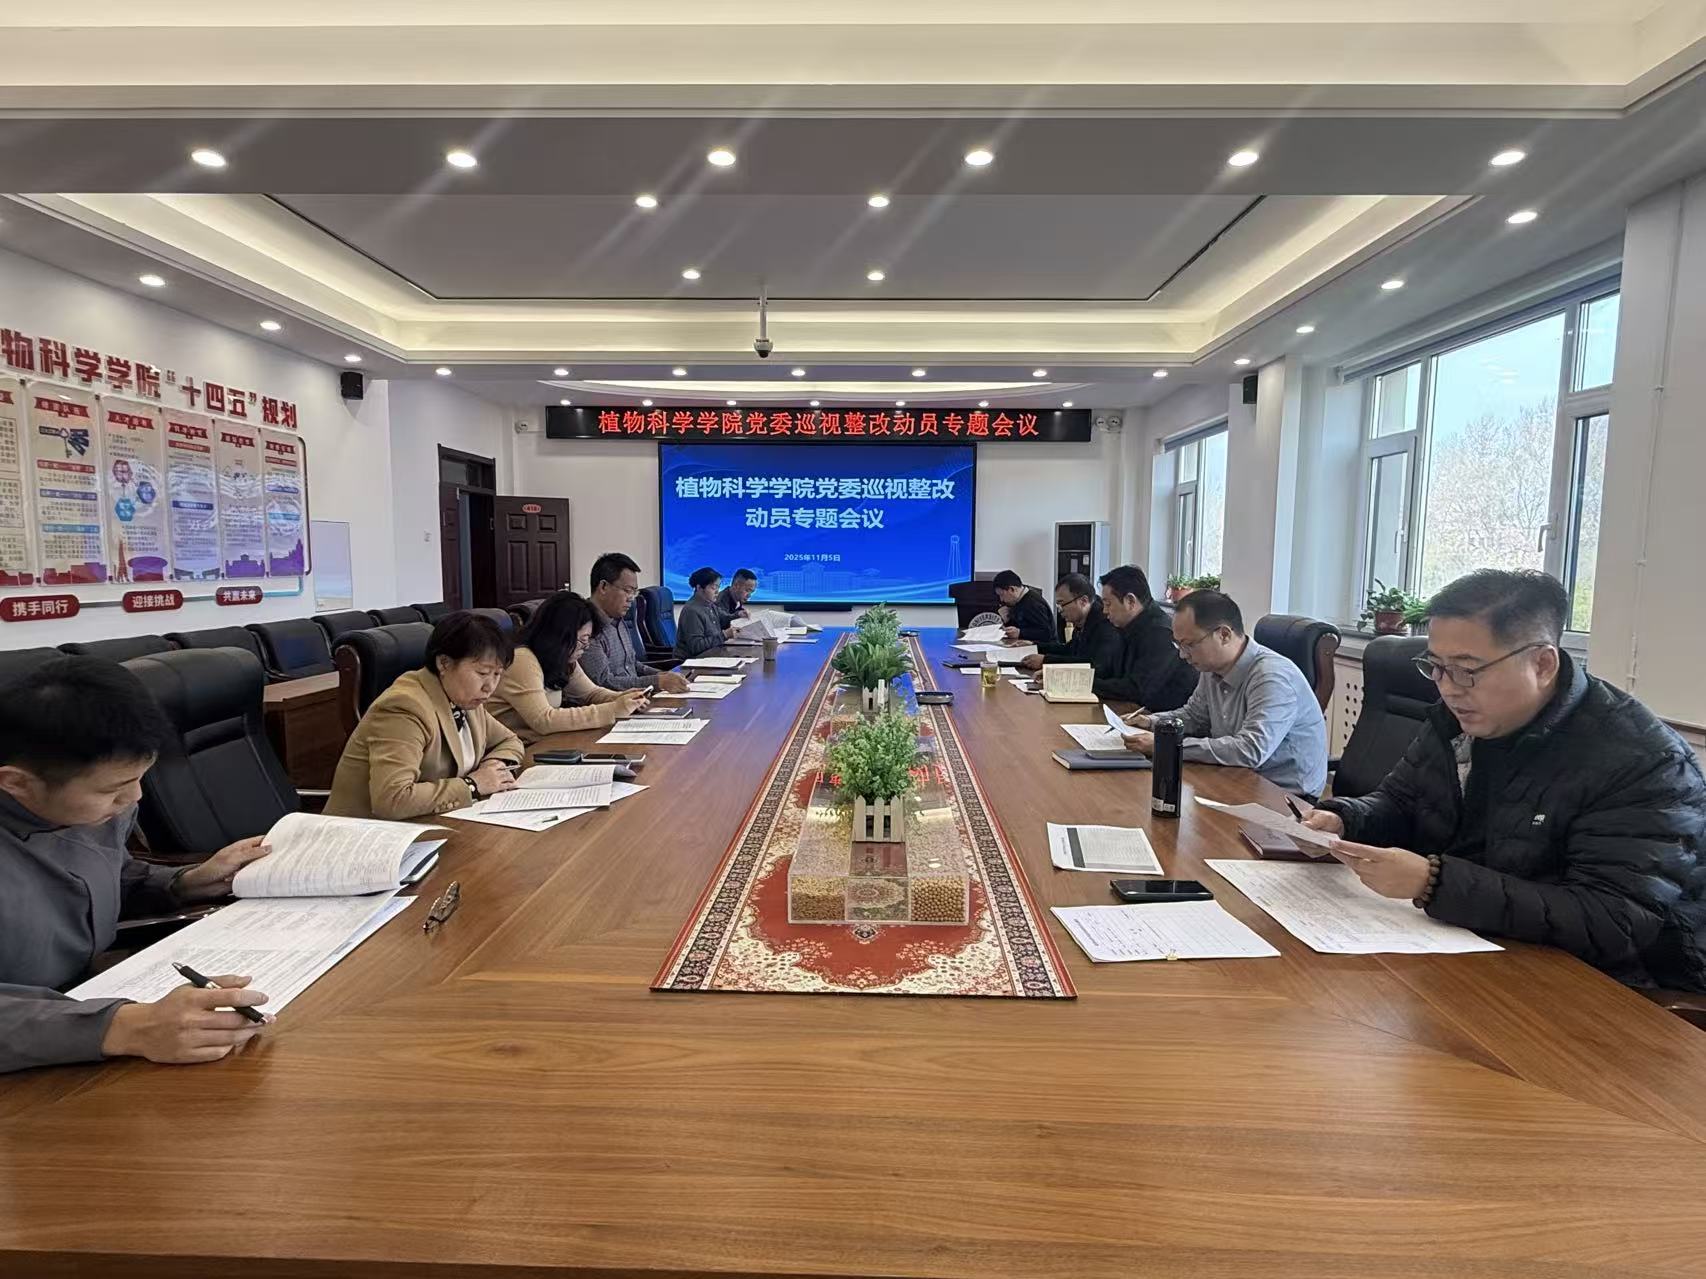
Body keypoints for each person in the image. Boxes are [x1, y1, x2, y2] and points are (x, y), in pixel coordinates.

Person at [1303, 569, 1706, 990]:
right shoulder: (1458, 722)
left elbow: (1612, 921)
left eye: (1466, 670)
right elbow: (1401, 801)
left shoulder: (1644, 762)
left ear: (1542, 664)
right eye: (1436, 667)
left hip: (1611, 987)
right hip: (1477, 946)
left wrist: (1433, 881)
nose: (1448, 689)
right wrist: (1344, 819)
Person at [0, 658, 275, 1072]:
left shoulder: (94, 809)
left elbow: (100, 880)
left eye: (140, 778)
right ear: (17, 782)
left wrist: (186, 883)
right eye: (112, 790)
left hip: (88, 1007)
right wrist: (124, 1027)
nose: (134, 799)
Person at [1122, 589, 1327, 797]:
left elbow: (1250, 750)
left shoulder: (1271, 677)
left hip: (1285, 796)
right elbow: (1194, 716)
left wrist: (1166, 746)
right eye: (1178, 645)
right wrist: (1151, 722)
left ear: (1224, 635)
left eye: (1189, 645)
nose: (1182, 655)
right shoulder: (1211, 667)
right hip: (1235, 775)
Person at [326, 611, 526, 819]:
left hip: (434, 821)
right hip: (367, 831)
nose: (490, 687)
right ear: (444, 663)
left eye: (497, 674)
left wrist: (494, 766)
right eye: (482, 673)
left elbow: (509, 741)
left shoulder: (465, 698)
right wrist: (473, 785)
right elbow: (392, 799)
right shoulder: (404, 707)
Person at [488, 591, 649, 744]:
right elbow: (544, 720)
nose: (586, 647)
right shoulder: (522, 659)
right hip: (518, 749)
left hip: (546, 743)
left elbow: (591, 693)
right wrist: (613, 710)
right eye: (583, 640)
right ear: (561, 635)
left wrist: (624, 698)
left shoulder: (561, 659)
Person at [579, 551, 690, 694]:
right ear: (603, 587)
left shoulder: (618, 619)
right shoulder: (585, 626)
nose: (631, 598)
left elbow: (632, 665)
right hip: (616, 702)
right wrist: (658, 682)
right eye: (627, 590)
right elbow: (603, 682)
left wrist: (662, 675)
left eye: (634, 592)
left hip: (638, 697)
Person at [1092, 564, 1197, 710]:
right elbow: (1110, 671)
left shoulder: (1160, 633)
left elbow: (1137, 689)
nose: (1104, 611)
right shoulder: (1126, 626)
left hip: (1161, 716)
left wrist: (1089, 684)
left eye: (1108, 604)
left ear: (1130, 601)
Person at [1017, 573, 1122, 674]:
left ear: (1083, 601)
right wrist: (1035, 645)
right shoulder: (1082, 620)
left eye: (1062, 604)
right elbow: (1070, 649)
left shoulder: (1105, 625)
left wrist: (1046, 661)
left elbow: (1094, 665)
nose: (1060, 610)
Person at [677, 566, 737, 658]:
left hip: (711, 656)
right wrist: (724, 635)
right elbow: (696, 647)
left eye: (718, 587)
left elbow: (724, 617)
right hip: (693, 662)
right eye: (713, 588)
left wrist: (738, 615)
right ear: (699, 588)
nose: (717, 592)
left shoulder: (709, 605)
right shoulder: (692, 611)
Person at [992, 569, 1056, 645]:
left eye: (1002, 595)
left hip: (1043, 648)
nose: (1001, 599)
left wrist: (1020, 632)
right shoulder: (1017, 601)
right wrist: (1007, 620)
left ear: (1012, 589)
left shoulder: (1033, 603)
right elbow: (1018, 628)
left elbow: (1046, 633)